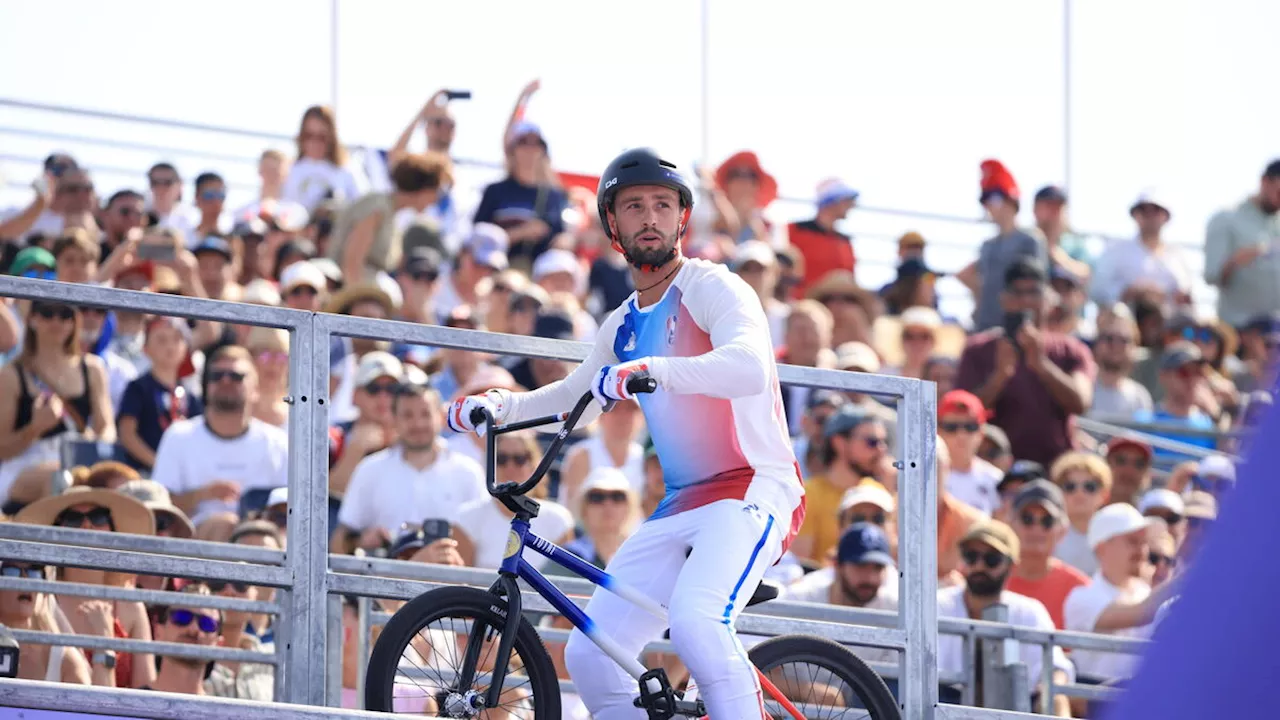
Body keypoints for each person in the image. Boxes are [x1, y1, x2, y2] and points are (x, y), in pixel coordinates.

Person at [447, 148, 804, 718]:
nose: (650, 218)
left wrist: (652, 371)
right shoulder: (623, 320)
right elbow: (575, 401)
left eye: (663, 205)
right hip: (682, 501)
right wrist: (500, 406)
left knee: (694, 622)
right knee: (590, 653)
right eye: (633, 206)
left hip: (753, 488)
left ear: (682, 217)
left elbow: (750, 367)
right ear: (612, 224)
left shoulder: (715, 287)